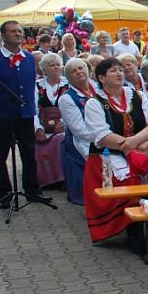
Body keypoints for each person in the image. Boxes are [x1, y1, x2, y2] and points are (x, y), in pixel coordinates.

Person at [83, 58, 148, 254]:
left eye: (121, 70)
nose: (120, 73)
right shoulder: (95, 103)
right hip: (109, 155)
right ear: (102, 78)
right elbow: (102, 136)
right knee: (130, 179)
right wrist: (134, 144)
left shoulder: (137, 96)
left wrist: (135, 142)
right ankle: (134, 231)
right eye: (113, 71)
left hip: (141, 151)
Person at [0, 20, 51, 207]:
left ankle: (33, 190)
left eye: (19, 31)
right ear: (3, 35)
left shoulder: (30, 58)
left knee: (29, 153)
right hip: (2, 116)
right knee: (0, 156)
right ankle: (4, 195)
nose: (18, 34)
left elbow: (32, 88)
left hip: (25, 114)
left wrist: (33, 111)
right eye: (13, 31)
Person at [58, 57, 96, 206]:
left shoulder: (100, 89)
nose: (79, 72)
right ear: (68, 78)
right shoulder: (66, 99)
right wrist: (105, 136)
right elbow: (79, 130)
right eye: (73, 71)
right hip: (81, 141)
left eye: (81, 68)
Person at [33, 53, 68, 189]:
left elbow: (72, 107)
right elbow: (33, 109)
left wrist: (64, 123)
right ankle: (46, 179)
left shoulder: (67, 84)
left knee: (61, 139)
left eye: (58, 65)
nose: (55, 67)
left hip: (63, 125)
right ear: (44, 69)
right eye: (51, 65)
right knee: (38, 142)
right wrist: (38, 128)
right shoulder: (37, 85)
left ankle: (62, 178)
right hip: (43, 124)